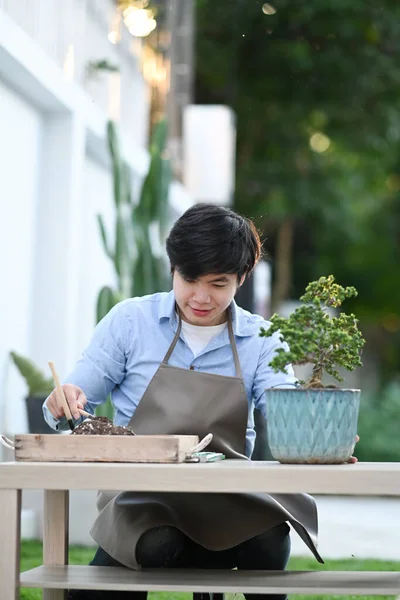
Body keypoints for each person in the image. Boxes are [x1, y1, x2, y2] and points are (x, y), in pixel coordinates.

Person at [43, 203, 342, 600]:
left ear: (242, 278)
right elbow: (74, 402)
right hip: (140, 497)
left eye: (218, 284)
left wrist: (323, 439)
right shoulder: (130, 322)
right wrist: (62, 402)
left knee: (271, 536)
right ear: (173, 268)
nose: (201, 297)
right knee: (152, 543)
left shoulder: (264, 339)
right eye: (189, 279)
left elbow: (284, 410)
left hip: (229, 496)